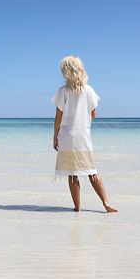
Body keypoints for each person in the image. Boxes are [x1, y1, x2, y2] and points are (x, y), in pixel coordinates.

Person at [52, 56, 117, 213]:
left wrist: (55, 136)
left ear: (66, 72)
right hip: (83, 136)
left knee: (73, 174)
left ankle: (77, 207)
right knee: (92, 171)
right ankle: (106, 204)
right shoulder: (89, 90)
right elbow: (93, 114)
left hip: (67, 136)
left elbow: (58, 116)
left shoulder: (63, 91)